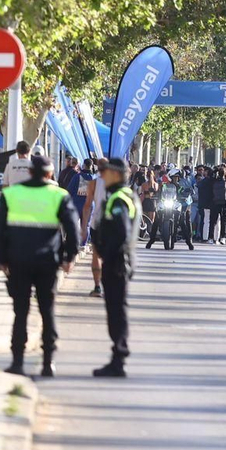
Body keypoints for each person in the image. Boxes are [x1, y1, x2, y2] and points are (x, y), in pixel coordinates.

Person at [0, 154, 78, 378]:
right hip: (48, 262)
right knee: (47, 311)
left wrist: (2, 259)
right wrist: (70, 257)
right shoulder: (59, 195)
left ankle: (17, 361)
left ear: (29, 172)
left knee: (21, 312)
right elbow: (72, 229)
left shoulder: (11, 194)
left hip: (18, 261)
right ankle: (48, 362)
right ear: (50, 174)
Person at [91, 157, 139, 378]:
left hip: (117, 263)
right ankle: (117, 357)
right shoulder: (122, 196)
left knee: (117, 311)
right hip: (119, 261)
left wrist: (107, 253)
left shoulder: (119, 199)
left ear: (117, 174)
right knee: (115, 310)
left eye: (105, 172)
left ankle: (118, 359)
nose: (101, 175)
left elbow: (121, 233)